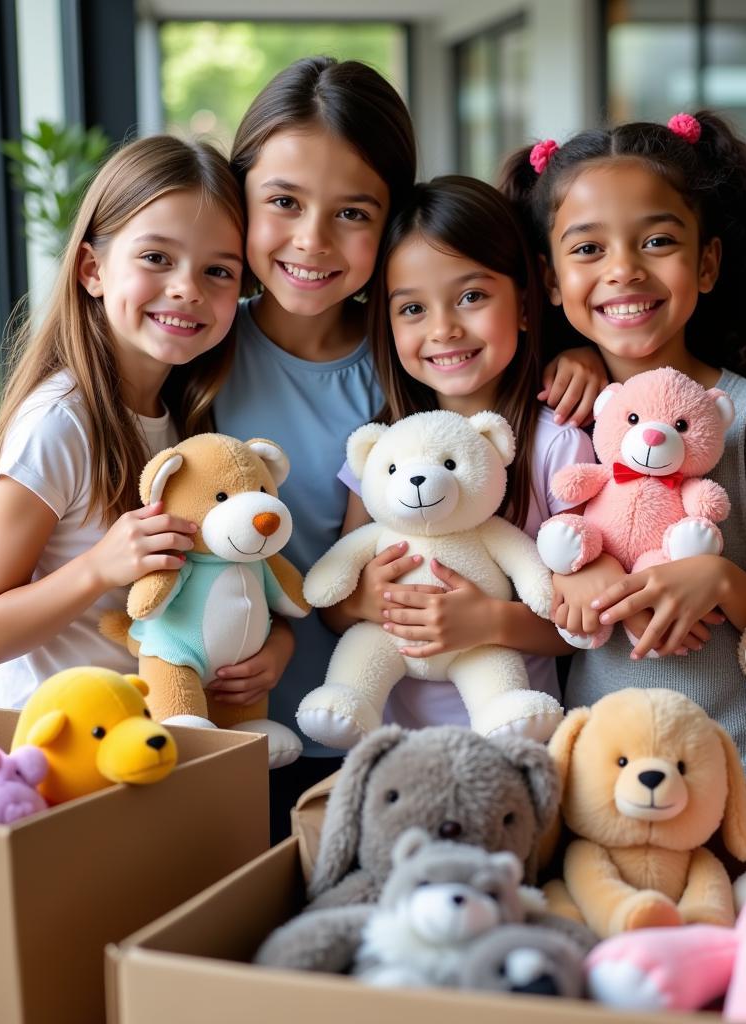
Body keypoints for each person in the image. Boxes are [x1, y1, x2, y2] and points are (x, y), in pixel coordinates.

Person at [213, 58, 603, 838]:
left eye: (353, 213)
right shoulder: (204, 344)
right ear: (240, 199)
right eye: (284, 201)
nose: (313, 240)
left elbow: (496, 348)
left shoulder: (411, 365)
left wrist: (578, 353)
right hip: (237, 726)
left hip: (391, 736)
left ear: (387, 221)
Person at [501, 111, 746, 780]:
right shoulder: (558, 413)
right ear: (550, 282)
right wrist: (568, 571)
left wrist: (723, 581)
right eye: (587, 249)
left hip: (738, 764)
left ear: (706, 263)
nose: (624, 271)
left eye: (658, 241)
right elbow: (514, 559)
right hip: (592, 764)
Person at [325, 175, 596, 730]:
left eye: (471, 297)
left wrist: (489, 622)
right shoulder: (382, 455)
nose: (445, 329)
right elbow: (334, 603)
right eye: (412, 309)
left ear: (523, 304)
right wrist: (362, 604)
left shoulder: (560, 444)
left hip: (515, 738)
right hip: (392, 746)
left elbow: (582, 626)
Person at [0, 135, 244, 708]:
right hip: (57, 758)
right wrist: (97, 567)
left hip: (146, 746)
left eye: (219, 271)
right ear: (92, 269)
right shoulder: (60, 422)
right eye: (157, 258)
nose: (187, 288)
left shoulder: (186, 420)